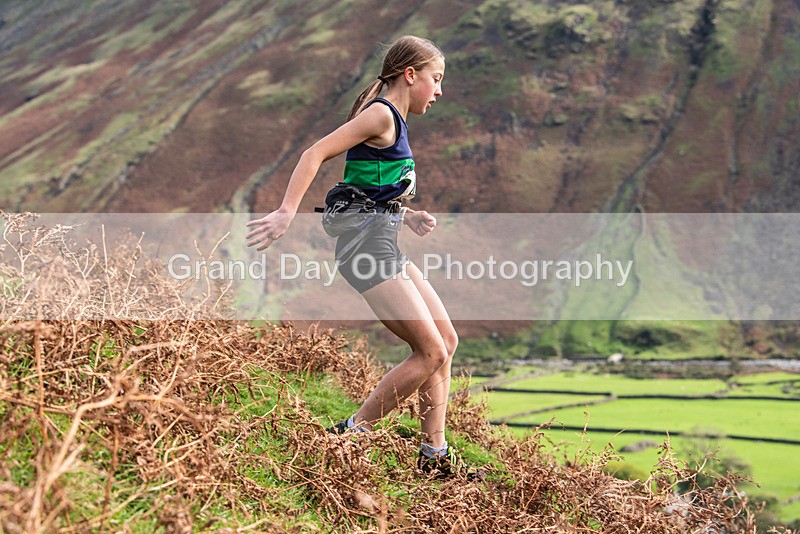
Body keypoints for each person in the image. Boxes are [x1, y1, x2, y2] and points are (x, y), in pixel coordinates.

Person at [246, 35, 479, 479]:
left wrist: (404, 214)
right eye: (436, 79)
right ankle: (349, 435)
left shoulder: (394, 120)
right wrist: (285, 211)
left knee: (446, 343)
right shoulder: (380, 115)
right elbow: (314, 153)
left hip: (384, 242)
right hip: (365, 250)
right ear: (410, 75)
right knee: (428, 350)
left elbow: (367, 189)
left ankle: (435, 457)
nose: (440, 91)